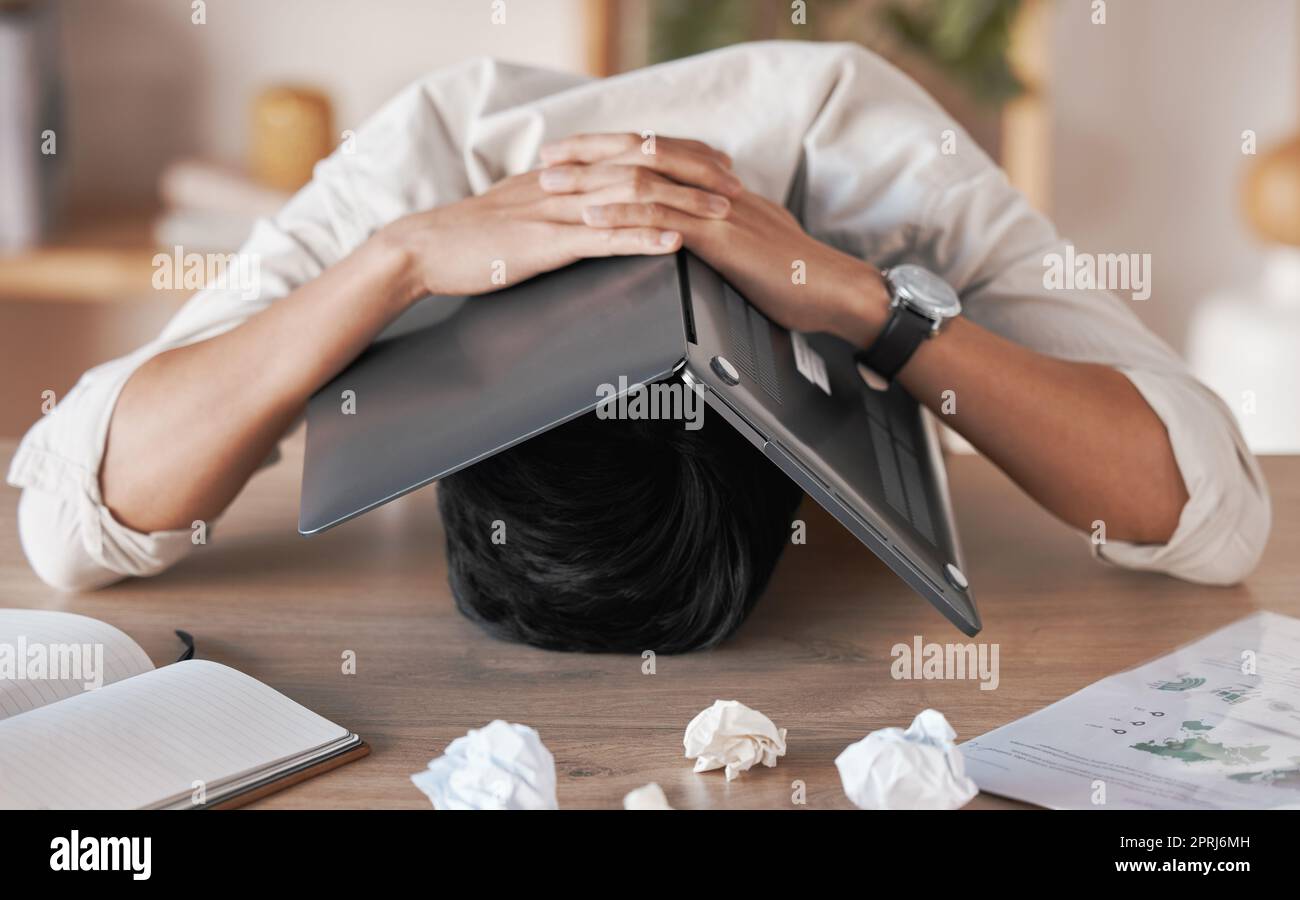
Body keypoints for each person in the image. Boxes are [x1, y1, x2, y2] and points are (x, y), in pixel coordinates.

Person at [8, 43, 1269, 647]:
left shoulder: (870, 151)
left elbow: (1213, 515)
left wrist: (862, 304)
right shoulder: (421, 169)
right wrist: (391, 263)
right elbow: (68, 521)